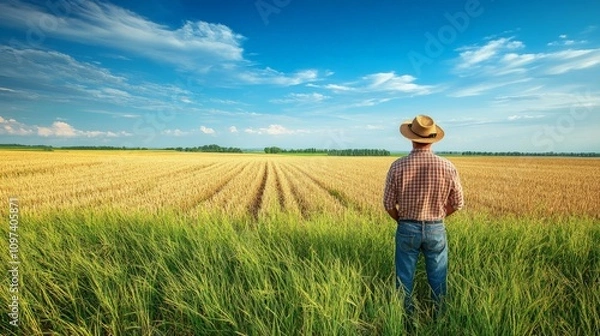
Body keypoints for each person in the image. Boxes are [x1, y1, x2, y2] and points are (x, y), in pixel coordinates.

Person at [383, 114, 464, 318]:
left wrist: (402, 219)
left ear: (411, 138)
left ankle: (405, 320)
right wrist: (440, 216)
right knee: (438, 278)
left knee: (404, 277)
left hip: (407, 227)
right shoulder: (447, 166)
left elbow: (388, 204)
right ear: (432, 139)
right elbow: (458, 203)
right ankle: (439, 317)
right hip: (436, 227)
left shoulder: (398, 166)